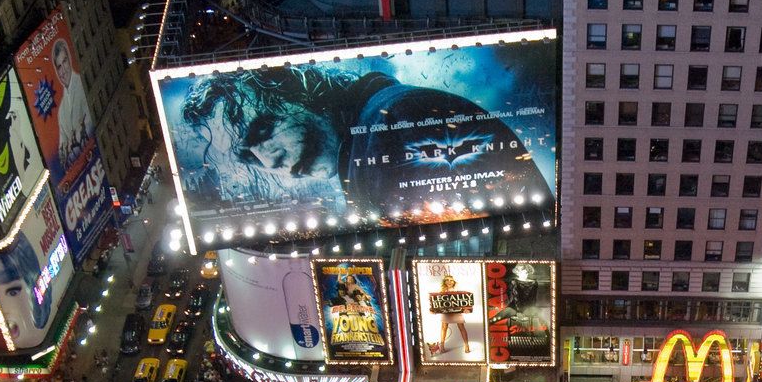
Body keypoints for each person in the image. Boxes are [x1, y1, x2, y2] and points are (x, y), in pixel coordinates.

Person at [174, 65, 552, 219]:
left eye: (263, 129)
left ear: (299, 92)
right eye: (249, 159)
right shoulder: (371, 136)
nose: (269, 161)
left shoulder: (392, 122)